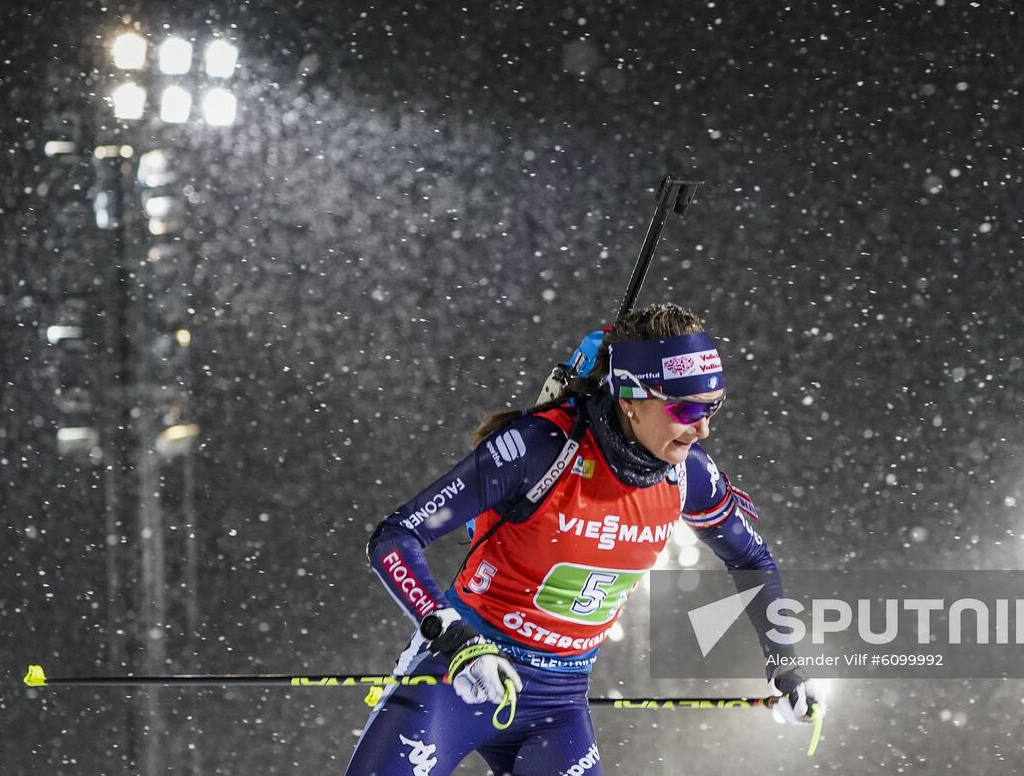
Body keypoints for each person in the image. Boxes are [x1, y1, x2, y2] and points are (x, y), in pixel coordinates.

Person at [345, 303, 818, 776]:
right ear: (631, 398)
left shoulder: (688, 476)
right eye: (686, 409)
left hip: (557, 703)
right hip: (459, 676)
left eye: (712, 406)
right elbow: (394, 537)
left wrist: (785, 665)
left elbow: (752, 559)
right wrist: (454, 637)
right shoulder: (537, 449)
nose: (703, 427)